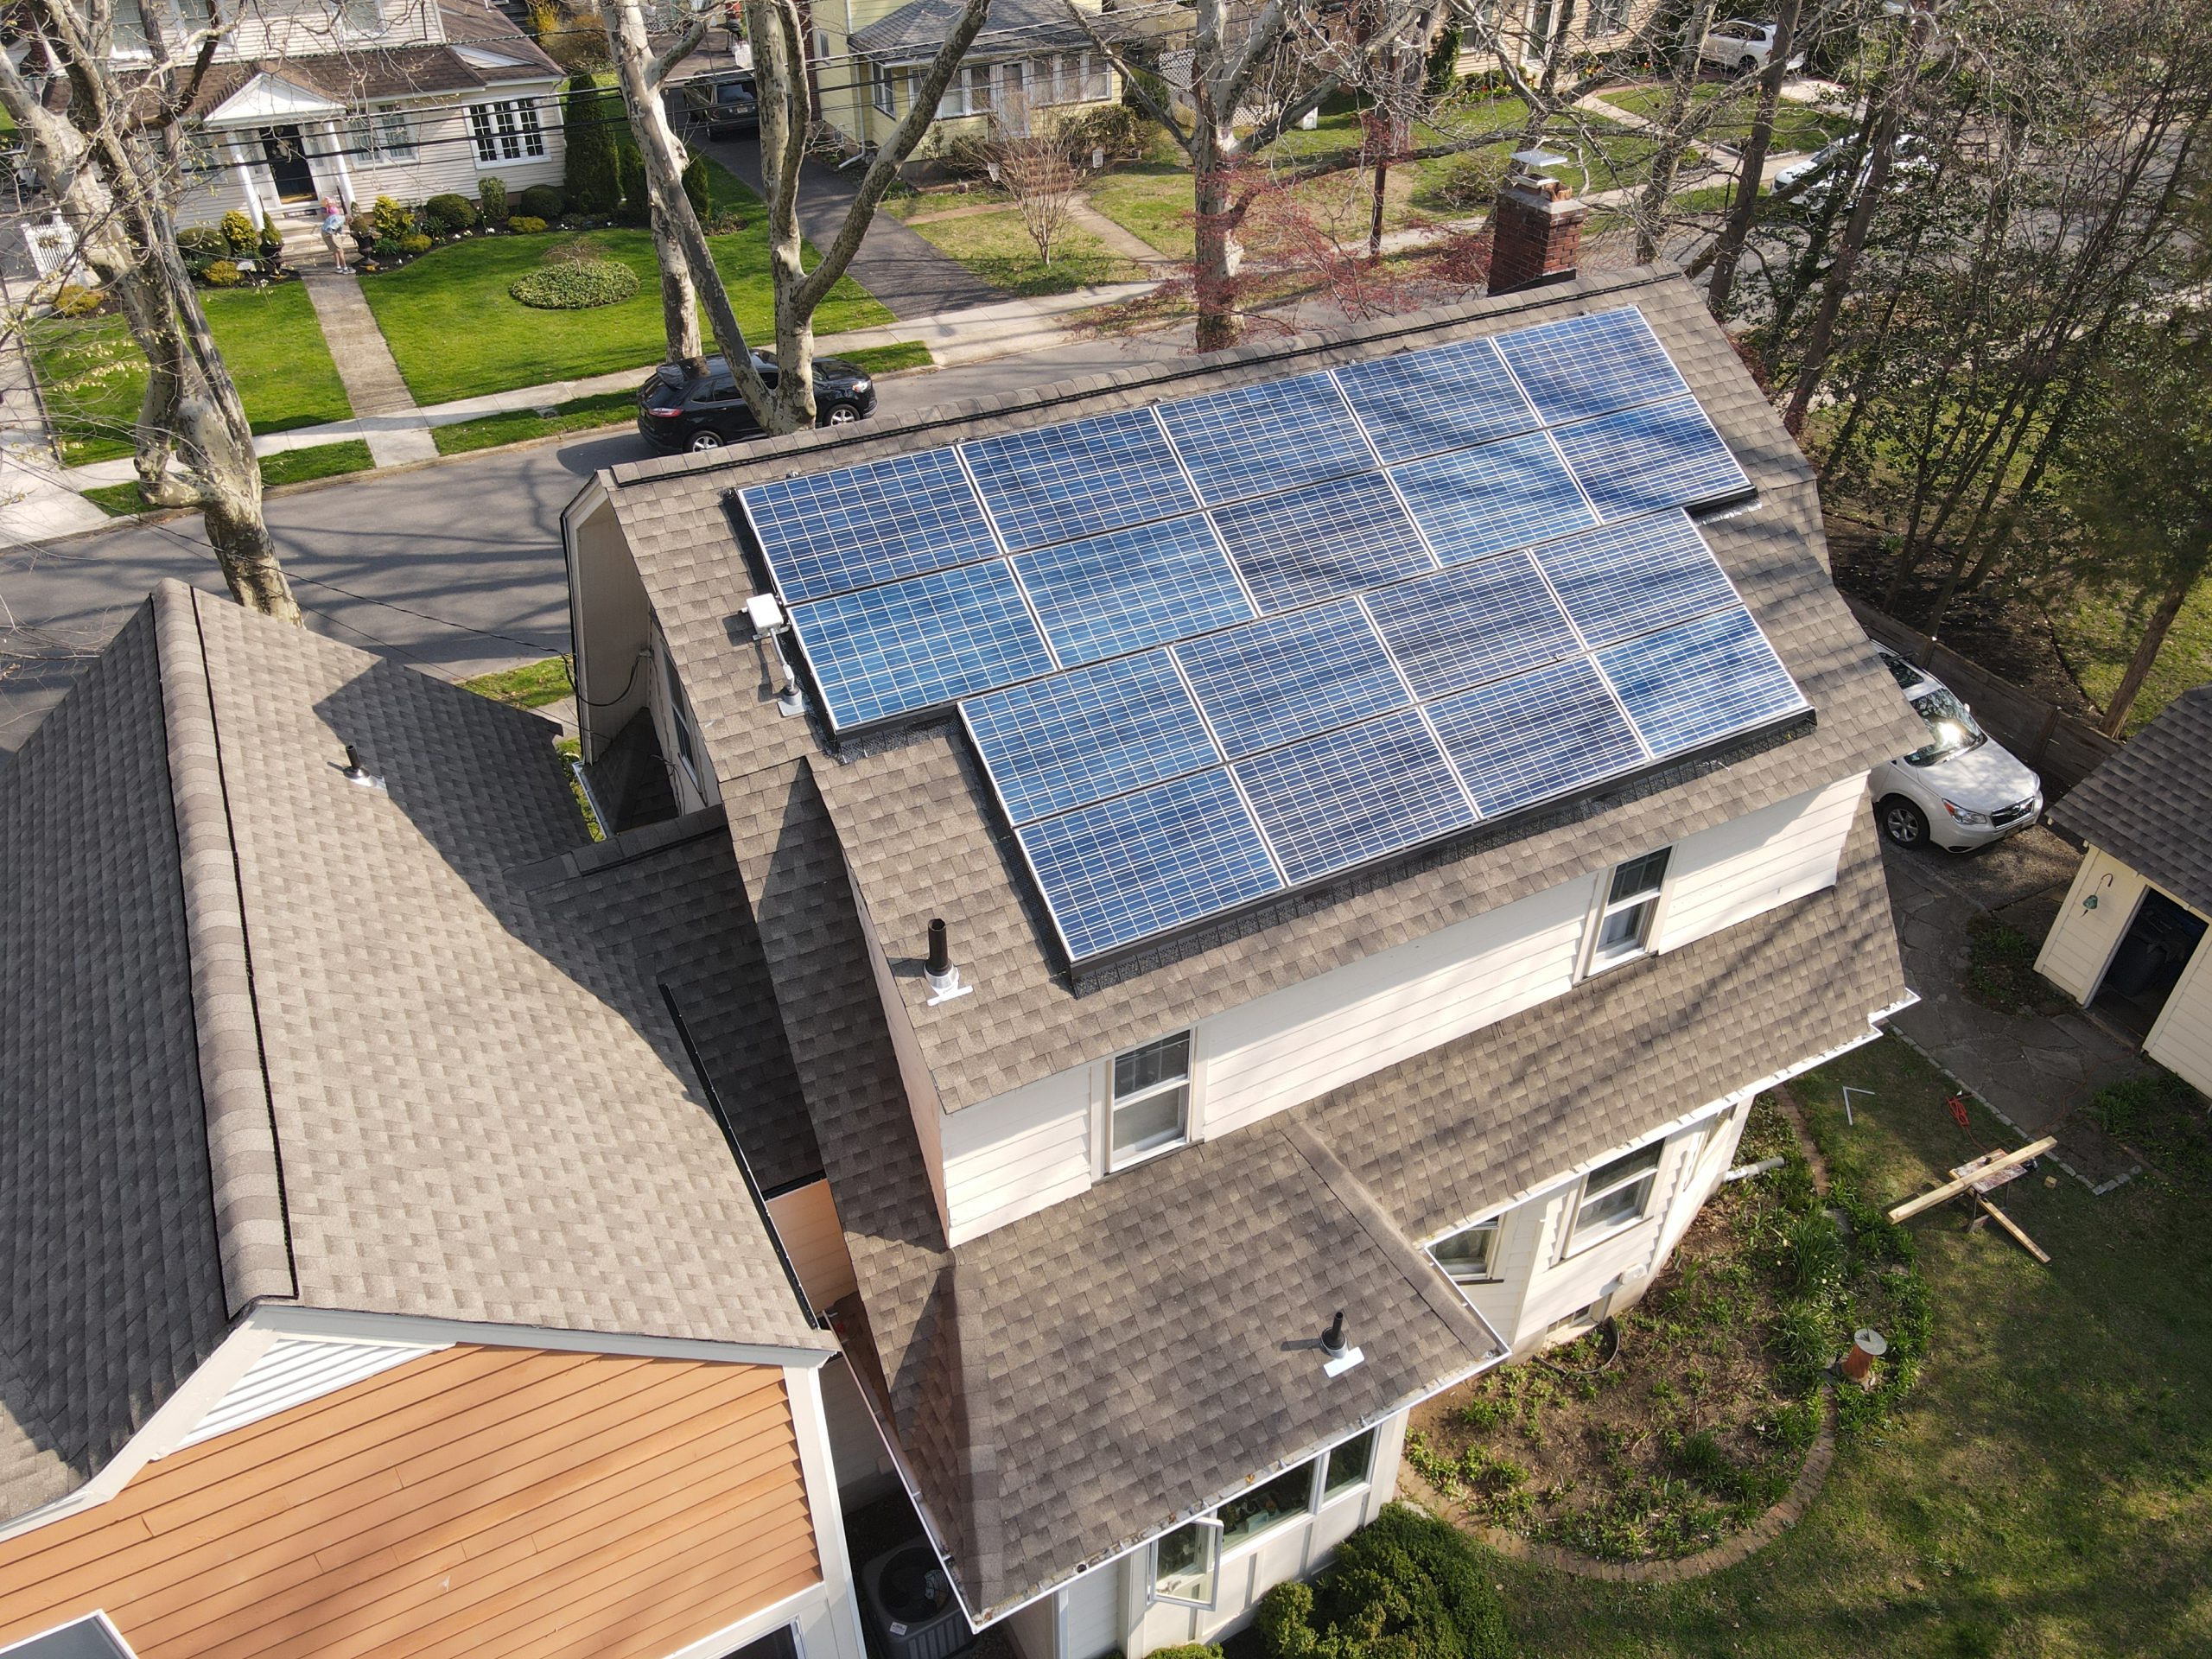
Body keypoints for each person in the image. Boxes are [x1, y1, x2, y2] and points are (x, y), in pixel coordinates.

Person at [319, 197, 350, 272]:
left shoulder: (340, 218)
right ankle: (345, 268)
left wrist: (345, 233)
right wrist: (334, 241)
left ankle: (338, 267)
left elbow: (338, 230)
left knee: (335, 251)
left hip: (324, 231)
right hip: (327, 233)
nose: (347, 225)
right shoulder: (340, 221)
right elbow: (331, 230)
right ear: (347, 220)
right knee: (340, 250)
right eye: (349, 223)